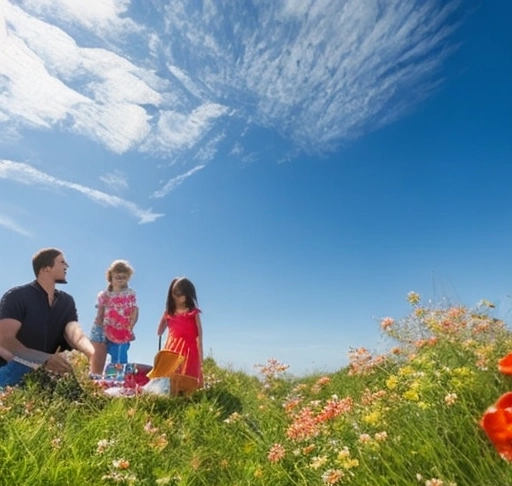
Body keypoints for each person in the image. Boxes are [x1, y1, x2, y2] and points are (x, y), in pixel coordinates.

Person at [0, 248, 95, 386]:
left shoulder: (66, 301)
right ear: (46, 269)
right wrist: (43, 359)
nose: (66, 266)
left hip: (47, 373)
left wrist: (92, 352)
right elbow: (5, 340)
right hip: (12, 367)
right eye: (62, 262)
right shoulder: (17, 296)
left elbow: (75, 334)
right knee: (20, 367)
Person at [89, 260, 138, 376]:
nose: (120, 278)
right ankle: (95, 379)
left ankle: (115, 383)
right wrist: (98, 325)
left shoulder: (130, 294)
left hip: (121, 330)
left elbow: (134, 310)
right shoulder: (104, 295)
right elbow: (100, 311)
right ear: (110, 277)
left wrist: (131, 326)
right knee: (97, 355)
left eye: (123, 276)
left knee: (119, 357)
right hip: (104, 327)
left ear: (128, 278)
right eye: (117, 276)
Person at [156, 277, 203, 392]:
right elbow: (159, 331)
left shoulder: (192, 312)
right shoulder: (169, 312)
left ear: (188, 295)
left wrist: (200, 352)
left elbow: (200, 334)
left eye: (180, 294)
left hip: (189, 347)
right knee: (170, 374)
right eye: (174, 293)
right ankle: (170, 393)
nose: (176, 297)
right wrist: (164, 319)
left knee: (188, 374)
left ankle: (187, 394)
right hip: (172, 346)